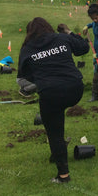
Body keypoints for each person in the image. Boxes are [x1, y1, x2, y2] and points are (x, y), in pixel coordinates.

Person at [17, 18, 90, 183]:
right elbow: (83, 47)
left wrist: (39, 81)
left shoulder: (27, 49)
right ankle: (55, 154)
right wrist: (68, 31)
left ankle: (63, 175)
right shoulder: (61, 38)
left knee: (54, 133)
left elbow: (22, 79)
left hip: (51, 93)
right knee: (56, 118)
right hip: (75, 89)